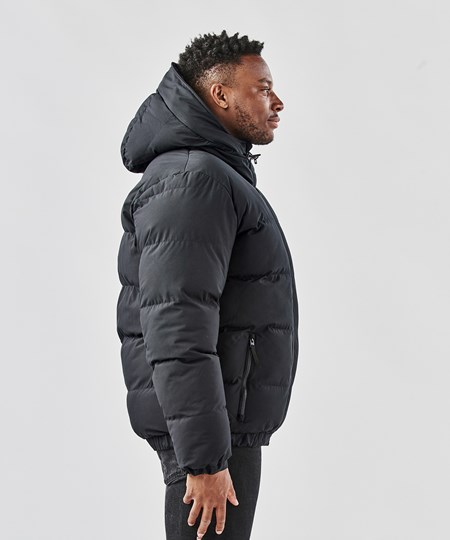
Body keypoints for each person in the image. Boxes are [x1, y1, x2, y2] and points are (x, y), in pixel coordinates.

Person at [116, 30, 300, 539]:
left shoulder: (206, 174)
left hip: (222, 427)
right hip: (212, 439)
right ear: (219, 94)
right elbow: (177, 324)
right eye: (262, 88)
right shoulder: (195, 179)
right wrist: (204, 460)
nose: (277, 102)